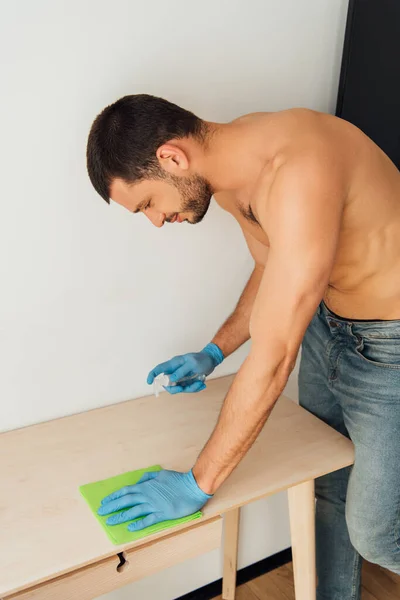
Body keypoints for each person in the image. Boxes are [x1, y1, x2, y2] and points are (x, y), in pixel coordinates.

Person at [86, 94, 400, 600]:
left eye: (147, 203)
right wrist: (215, 351)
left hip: (390, 350)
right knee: (328, 484)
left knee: (378, 535)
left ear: (171, 157)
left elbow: (275, 360)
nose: (156, 221)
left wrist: (197, 483)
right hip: (330, 327)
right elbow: (270, 264)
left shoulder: (297, 170)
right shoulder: (232, 173)